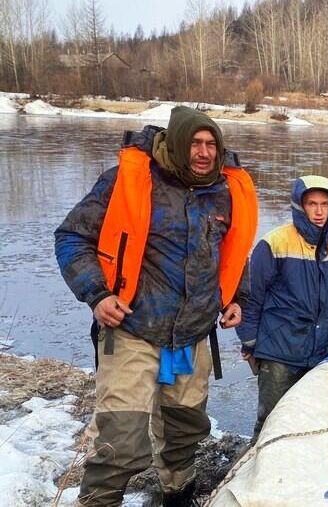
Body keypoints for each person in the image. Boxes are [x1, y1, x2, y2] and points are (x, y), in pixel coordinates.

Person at [55, 106, 258, 506]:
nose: (204, 153)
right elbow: (71, 238)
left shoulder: (225, 190)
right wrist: (97, 294)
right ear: (179, 143)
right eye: (196, 144)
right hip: (133, 328)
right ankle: (98, 500)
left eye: (211, 145)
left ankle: (177, 494)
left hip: (193, 335)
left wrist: (238, 297)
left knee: (185, 432)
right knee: (121, 441)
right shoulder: (127, 181)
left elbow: (231, 251)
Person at [237, 175, 328, 442]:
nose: (318, 211)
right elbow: (251, 295)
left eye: (324, 204)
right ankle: (254, 470)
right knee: (271, 419)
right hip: (280, 349)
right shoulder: (274, 243)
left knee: (317, 419)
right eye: (312, 204)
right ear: (299, 206)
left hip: (325, 349)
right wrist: (249, 339)